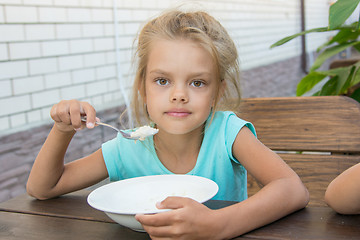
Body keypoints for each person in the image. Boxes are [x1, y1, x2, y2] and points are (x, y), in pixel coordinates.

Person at [27, 8, 309, 239]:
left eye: (197, 82)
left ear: (217, 91)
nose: (178, 95)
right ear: (142, 87)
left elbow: (292, 189)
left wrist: (218, 225)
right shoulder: (127, 148)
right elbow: (43, 188)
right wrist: (62, 130)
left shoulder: (226, 134)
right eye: (162, 80)